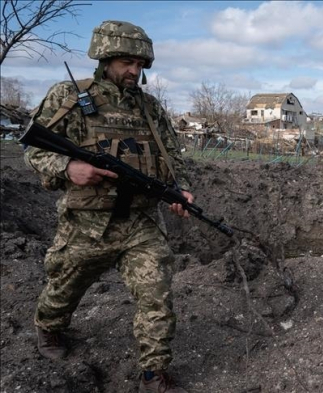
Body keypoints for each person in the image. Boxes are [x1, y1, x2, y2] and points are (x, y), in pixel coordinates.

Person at [25, 20, 192, 393]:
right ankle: (49, 328)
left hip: (140, 222)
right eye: (126, 63)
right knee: (63, 290)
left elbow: (173, 157)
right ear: (104, 58)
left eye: (139, 64)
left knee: (156, 295)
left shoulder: (150, 109)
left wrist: (182, 190)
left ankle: (154, 373)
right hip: (86, 223)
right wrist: (68, 167)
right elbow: (33, 149)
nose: (134, 71)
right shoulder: (68, 97)